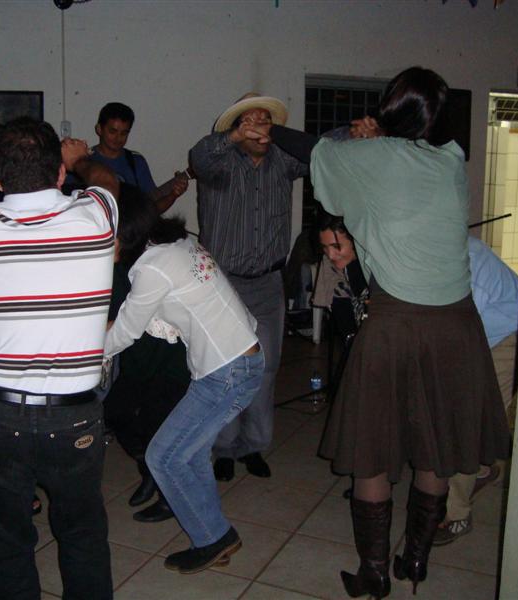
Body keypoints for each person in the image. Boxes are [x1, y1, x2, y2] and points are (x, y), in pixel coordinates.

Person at [254, 67, 510, 598]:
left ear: (389, 108)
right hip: (458, 325)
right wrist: (378, 141)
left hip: (397, 321)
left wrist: (267, 128)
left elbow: (315, 152)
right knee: (436, 446)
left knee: (371, 450)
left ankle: (373, 572)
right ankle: (415, 559)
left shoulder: (372, 157)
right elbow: (397, 166)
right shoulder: (451, 159)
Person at [0, 118, 119, 599]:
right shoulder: (96, 217)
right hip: (74, 416)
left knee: (5, 546)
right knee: (83, 536)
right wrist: (82, 158)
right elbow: (107, 180)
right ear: (60, 173)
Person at [104, 187, 264, 574]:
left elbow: (125, 331)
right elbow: (163, 320)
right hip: (237, 361)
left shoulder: (151, 266)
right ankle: (214, 535)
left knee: (164, 456)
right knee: (189, 454)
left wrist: (79, 353)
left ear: (123, 232)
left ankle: (214, 538)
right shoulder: (176, 245)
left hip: (227, 371)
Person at [189, 92, 308, 482]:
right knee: (226, 367)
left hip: (269, 283)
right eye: (250, 121)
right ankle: (224, 447)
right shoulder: (219, 165)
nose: (259, 127)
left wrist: (358, 135)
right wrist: (235, 137)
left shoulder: (284, 162)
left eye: (265, 120)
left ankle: (254, 445)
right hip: (224, 285)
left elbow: (322, 152)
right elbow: (199, 156)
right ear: (237, 128)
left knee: (266, 367)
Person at [103, 185, 192, 524]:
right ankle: (150, 471)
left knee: (159, 427)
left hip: (170, 358)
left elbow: (125, 322)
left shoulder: (155, 258)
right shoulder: (116, 260)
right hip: (136, 357)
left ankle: (170, 498)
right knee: (116, 413)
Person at [433, 236, 518, 546]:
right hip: (484, 332)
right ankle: (483, 468)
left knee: (464, 422)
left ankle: (455, 514)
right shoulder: (431, 255)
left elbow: (461, 339)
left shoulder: (466, 265)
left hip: (509, 336)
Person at [89, 102, 188, 213]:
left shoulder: (135, 161)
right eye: (112, 131)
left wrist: (173, 195)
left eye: (124, 133)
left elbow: (151, 209)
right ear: (99, 129)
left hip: (131, 223)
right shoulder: (84, 161)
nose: (118, 138)